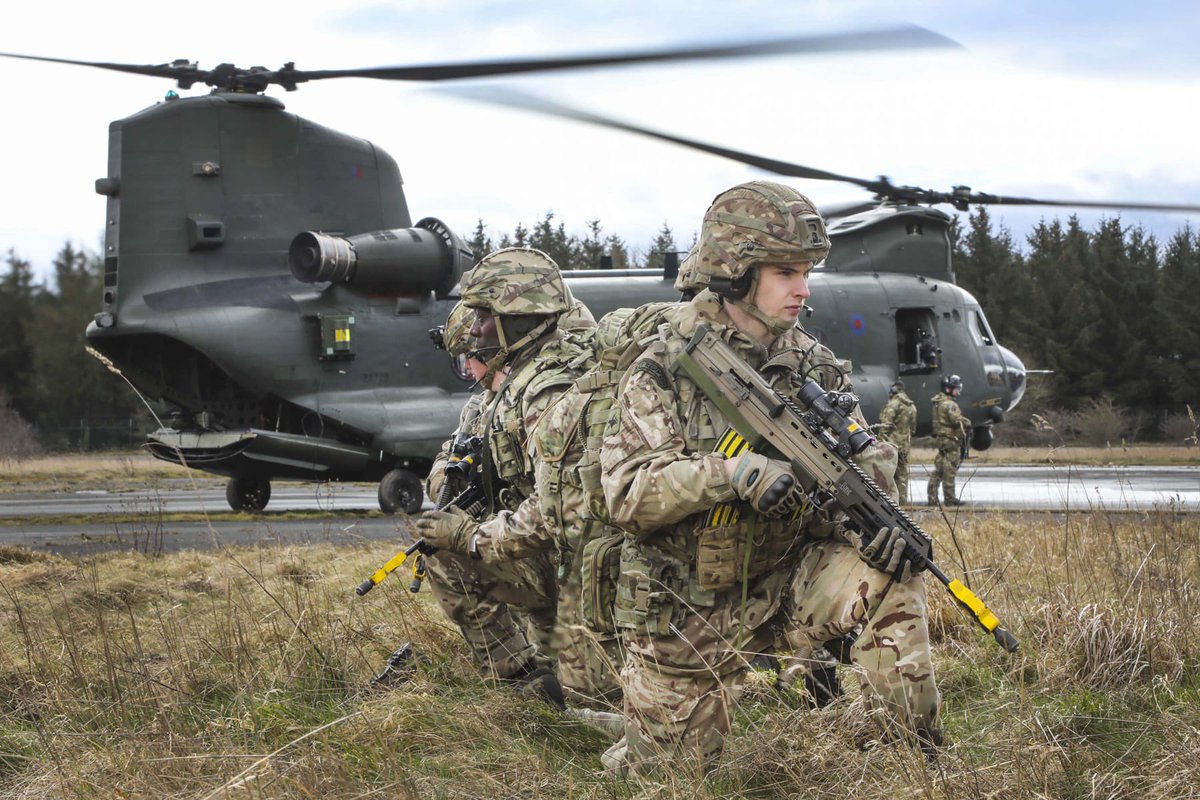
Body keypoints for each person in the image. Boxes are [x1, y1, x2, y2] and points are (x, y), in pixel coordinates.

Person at [599, 181, 940, 777]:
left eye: (806, 272)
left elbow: (857, 471)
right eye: (785, 272)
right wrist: (729, 472)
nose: (803, 290)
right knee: (672, 780)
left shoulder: (812, 365)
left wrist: (872, 519)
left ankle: (913, 766)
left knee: (891, 577)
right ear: (734, 271)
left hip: (787, 579)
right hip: (686, 606)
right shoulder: (663, 366)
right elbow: (628, 495)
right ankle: (626, 734)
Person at [415, 248, 591, 707]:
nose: (471, 371)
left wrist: (474, 536)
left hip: (576, 559)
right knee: (567, 686)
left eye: (475, 353)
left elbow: (560, 506)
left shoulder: (546, 393)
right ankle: (521, 677)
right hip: (543, 548)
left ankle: (533, 677)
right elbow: (443, 466)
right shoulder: (489, 405)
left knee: (592, 701)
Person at [927, 374, 969, 506]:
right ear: (949, 389)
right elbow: (957, 420)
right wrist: (967, 422)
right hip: (950, 441)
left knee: (938, 470)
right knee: (950, 470)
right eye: (957, 388)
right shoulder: (949, 404)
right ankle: (950, 499)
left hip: (941, 440)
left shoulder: (938, 403)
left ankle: (932, 498)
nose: (958, 391)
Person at [878, 379, 918, 505]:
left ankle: (889, 501)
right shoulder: (911, 406)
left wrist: (879, 441)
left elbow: (885, 425)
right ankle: (902, 501)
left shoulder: (893, 404)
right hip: (904, 446)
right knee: (902, 473)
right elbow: (913, 428)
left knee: (888, 472)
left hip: (892, 445)